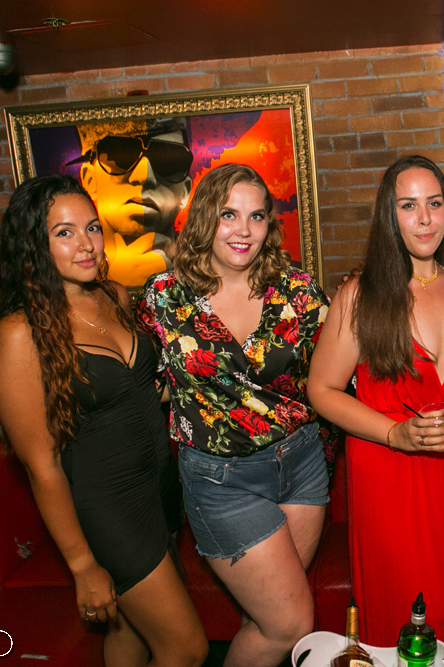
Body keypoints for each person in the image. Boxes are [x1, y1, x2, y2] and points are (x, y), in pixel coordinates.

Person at [0, 174, 208, 667]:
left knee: (131, 636)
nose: (86, 244)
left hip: (158, 489)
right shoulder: (19, 335)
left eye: (91, 227)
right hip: (108, 510)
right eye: (64, 233)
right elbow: (41, 464)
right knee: (186, 650)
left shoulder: (114, 296)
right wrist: (83, 565)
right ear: (33, 245)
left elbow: (137, 389)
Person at [137, 163, 330, 667]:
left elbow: (337, 372)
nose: (244, 230)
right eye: (229, 215)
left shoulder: (297, 289)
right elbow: (143, 386)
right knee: (289, 625)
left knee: (265, 620)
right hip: (222, 481)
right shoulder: (165, 296)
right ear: (205, 217)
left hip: (302, 463)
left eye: (257, 216)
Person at [307, 155, 444, 667]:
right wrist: (394, 433)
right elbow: (321, 389)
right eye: (408, 206)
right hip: (391, 474)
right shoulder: (360, 295)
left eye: (435, 203)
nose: (425, 219)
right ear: (390, 214)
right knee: (406, 613)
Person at [69, 118, 194, 286]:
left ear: (185, 191)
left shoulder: (208, 268)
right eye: (121, 155)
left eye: (167, 161)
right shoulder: (65, 274)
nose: (144, 176)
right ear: (90, 181)